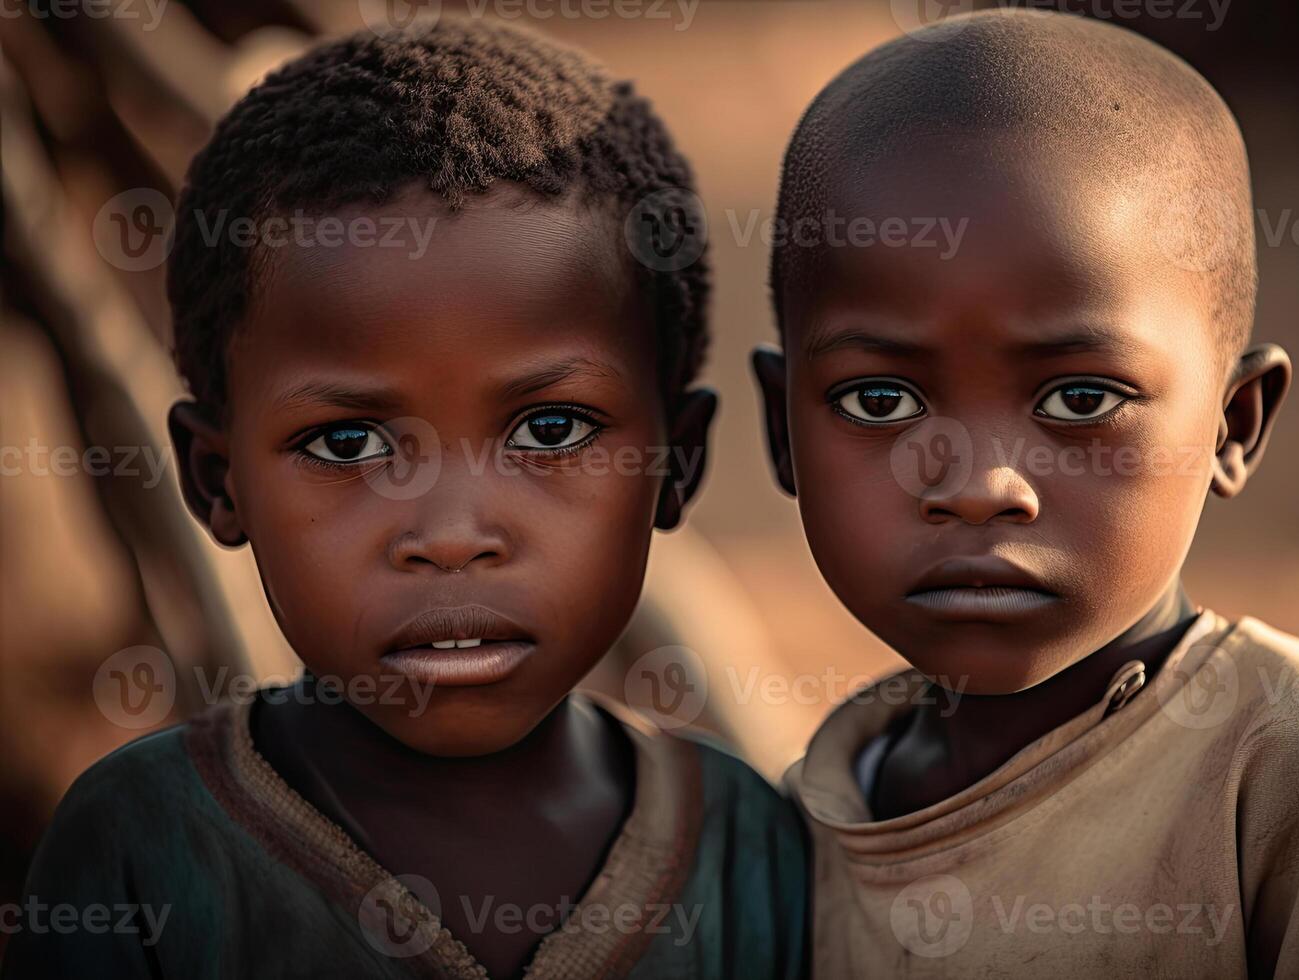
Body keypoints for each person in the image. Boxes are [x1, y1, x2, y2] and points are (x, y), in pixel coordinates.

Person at [7, 20, 805, 980]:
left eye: (550, 432)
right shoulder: (137, 847)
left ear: (676, 464)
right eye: (349, 444)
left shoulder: (749, 844)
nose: (452, 535)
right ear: (216, 484)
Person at [753, 10, 1299, 976]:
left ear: (1235, 424)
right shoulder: (800, 828)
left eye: (1080, 397)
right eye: (880, 399)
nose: (979, 488)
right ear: (779, 427)